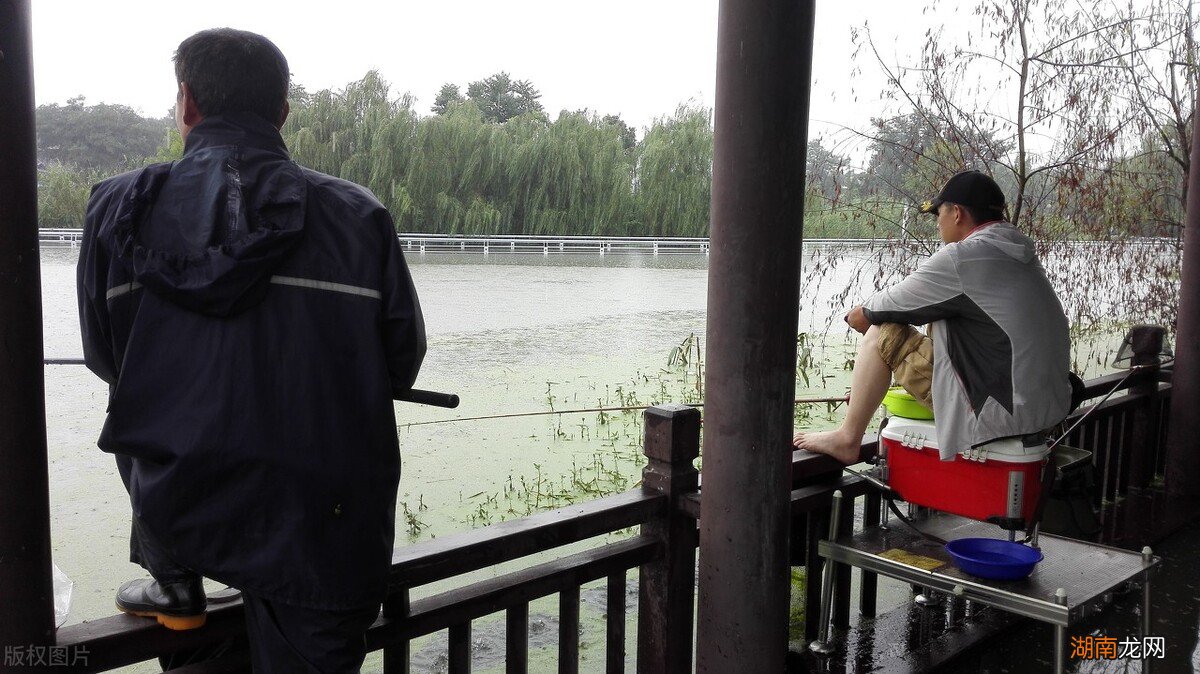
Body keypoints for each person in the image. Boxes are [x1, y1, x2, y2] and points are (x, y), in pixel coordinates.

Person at [77, 28, 426, 671]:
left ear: (186, 103)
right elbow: (401, 360)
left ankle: (175, 584)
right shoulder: (357, 214)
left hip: (180, 513)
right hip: (327, 524)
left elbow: (105, 357)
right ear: (283, 111)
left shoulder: (117, 208)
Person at [793, 170, 1070, 464]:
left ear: (957, 213)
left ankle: (847, 438)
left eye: (938, 212)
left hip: (998, 413)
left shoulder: (963, 257)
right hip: (1043, 412)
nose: (937, 222)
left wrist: (856, 316)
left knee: (881, 331)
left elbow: (878, 309)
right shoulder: (1019, 253)